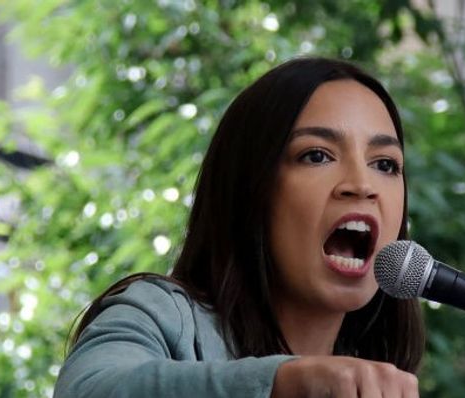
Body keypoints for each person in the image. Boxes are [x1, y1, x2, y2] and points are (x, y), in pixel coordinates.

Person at [54, 57, 425, 398]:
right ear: (249, 189)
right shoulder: (162, 315)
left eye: (386, 165)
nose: (362, 185)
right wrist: (283, 381)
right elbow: (88, 389)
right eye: (316, 155)